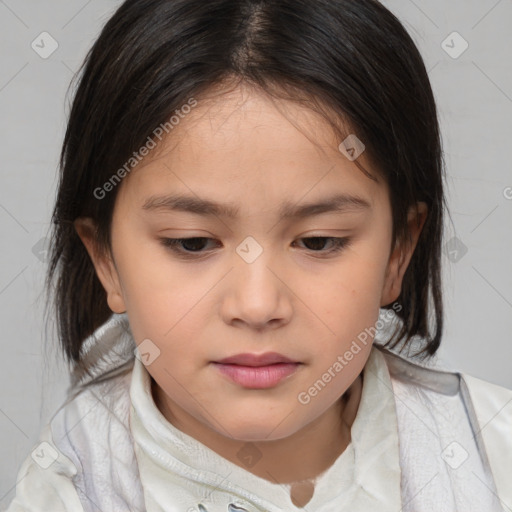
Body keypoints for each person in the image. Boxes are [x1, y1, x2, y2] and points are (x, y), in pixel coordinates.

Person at [6, 0, 512, 511]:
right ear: (106, 260)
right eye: (192, 242)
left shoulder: (493, 453)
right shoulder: (67, 488)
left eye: (318, 242)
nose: (256, 305)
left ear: (399, 250)